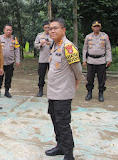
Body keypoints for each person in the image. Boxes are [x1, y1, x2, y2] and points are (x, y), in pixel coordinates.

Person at [45, 18, 82, 160]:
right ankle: (60, 146)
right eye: (50, 28)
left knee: (63, 123)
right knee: (55, 120)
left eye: (55, 28)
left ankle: (69, 154)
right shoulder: (54, 45)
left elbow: (77, 69)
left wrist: (77, 80)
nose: (52, 31)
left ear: (63, 30)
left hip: (63, 93)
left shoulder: (68, 47)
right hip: (53, 92)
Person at [82, 21, 112, 102]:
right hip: (91, 61)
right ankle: (89, 93)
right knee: (89, 78)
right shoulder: (88, 37)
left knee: (101, 79)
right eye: (95, 26)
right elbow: (85, 49)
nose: (96, 28)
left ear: (100, 27)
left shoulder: (104, 36)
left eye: (98, 26)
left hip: (101, 61)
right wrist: (84, 60)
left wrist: (109, 59)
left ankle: (101, 93)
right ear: (92, 27)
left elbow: (108, 48)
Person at [0, 24, 20, 98]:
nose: (8, 31)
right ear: (4, 30)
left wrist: (18, 60)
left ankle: (7, 91)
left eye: (10, 30)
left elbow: (17, 50)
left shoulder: (14, 39)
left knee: (9, 77)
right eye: (7, 30)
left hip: (10, 62)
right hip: (0, 63)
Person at [34, 20, 52, 97]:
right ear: (43, 28)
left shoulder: (53, 35)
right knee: (41, 75)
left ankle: (52, 91)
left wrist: (50, 44)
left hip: (52, 59)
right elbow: (35, 45)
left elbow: (58, 44)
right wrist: (40, 45)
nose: (47, 29)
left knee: (52, 75)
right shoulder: (39, 35)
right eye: (46, 28)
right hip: (43, 59)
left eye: (48, 27)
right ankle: (40, 90)